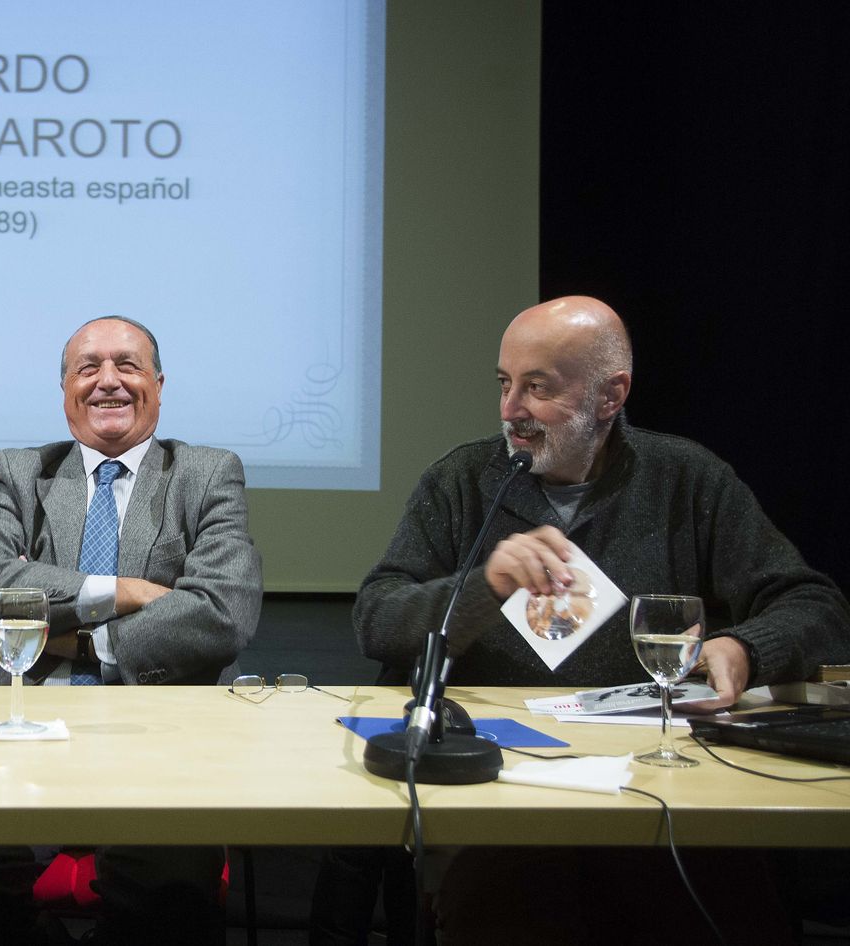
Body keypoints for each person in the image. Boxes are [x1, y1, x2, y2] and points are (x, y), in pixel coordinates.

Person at [339, 295, 850, 944]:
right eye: (503, 384)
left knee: (736, 912)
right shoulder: (464, 482)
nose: (509, 410)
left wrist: (749, 647)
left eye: (536, 388)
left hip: (663, 785)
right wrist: (485, 586)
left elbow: (819, 606)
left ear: (611, 396)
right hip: (507, 791)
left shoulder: (685, 480)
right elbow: (378, 622)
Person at [0, 316, 263, 945]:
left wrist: (83, 637)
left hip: (161, 733)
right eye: (87, 367)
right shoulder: (20, 471)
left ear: (159, 383)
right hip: (22, 724)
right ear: (65, 387)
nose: (107, 382)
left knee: (165, 875)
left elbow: (221, 612)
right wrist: (121, 592)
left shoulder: (205, 473)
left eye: (127, 365)